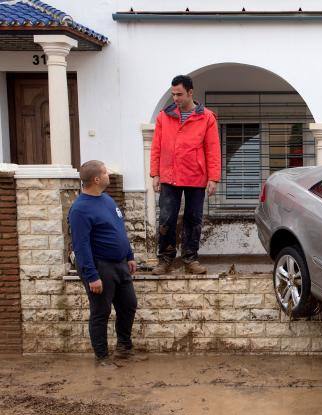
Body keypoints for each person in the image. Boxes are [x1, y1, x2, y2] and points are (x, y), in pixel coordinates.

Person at [68, 161, 138, 366]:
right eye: (106, 172)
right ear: (96, 179)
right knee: (101, 312)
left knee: (128, 305)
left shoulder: (107, 199)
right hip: (100, 266)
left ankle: (124, 349)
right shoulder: (79, 210)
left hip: (119, 263)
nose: (109, 175)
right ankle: (102, 357)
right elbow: (80, 246)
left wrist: (129, 255)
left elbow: (119, 230)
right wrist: (92, 276)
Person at [150, 74, 221, 275]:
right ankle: (165, 260)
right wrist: (155, 173)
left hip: (196, 176)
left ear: (190, 92)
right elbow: (156, 147)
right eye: (173, 94)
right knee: (166, 219)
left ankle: (190, 259)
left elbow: (213, 149)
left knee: (193, 218)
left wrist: (213, 178)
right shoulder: (164, 116)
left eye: (179, 94)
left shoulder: (206, 117)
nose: (176, 99)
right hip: (169, 175)